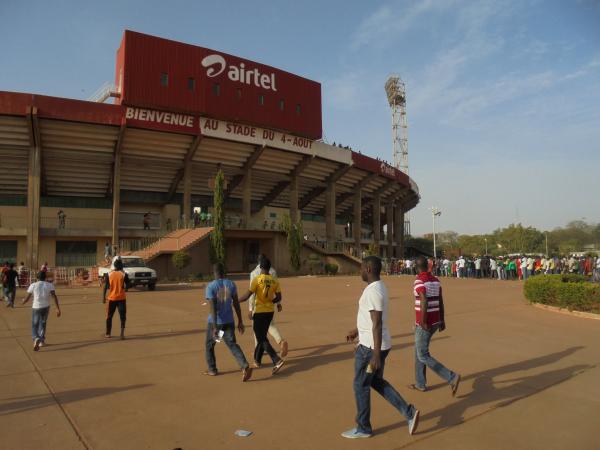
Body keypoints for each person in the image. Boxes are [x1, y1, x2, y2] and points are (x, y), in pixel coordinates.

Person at [341, 256, 420, 439]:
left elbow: (376, 323)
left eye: (361, 268)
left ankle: (363, 428)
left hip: (370, 349)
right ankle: (409, 412)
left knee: (360, 384)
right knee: (375, 381)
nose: (360, 271)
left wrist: (375, 354)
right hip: (375, 343)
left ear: (368, 269)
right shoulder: (379, 287)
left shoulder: (373, 292)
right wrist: (357, 331)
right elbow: (373, 321)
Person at [410, 256, 460, 395]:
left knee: (422, 355)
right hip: (435, 320)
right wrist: (442, 320)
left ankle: (451, 377)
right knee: (418, 352)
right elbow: (440, 301)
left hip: (425, 323)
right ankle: (420, 383)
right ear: (428, 266)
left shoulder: (419, 280)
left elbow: (424, 299)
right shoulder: (436, 281)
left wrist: (423, 321)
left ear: (416, 267)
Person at [203, 263, 252, 382]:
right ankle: (244, 365)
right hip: (229, 322)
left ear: (214, 272)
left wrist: (214, 327)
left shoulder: (211, 287)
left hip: (217, 324)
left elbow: (213, 308)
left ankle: (212, 369)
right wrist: (240, 321)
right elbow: (236, 304)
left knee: (210, 345)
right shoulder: (231, 284)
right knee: (232, 344)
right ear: (224, 272)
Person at [238, 257, 285, 375]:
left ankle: (276, 359)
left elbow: (248, 295)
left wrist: (236, 300)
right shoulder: (274, 281)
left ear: (260, 267)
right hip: (270, 312)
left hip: (259, 312)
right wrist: (271, 302)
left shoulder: (257, 279)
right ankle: (257, 360)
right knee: (262, 336)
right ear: (269, 268)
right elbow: (279, 297)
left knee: (260, 337)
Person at [247, 254, 288, 365]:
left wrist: (250, 309)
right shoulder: (273, 272)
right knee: (270, 326)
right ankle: (280, 341)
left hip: (258, 308)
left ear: (259, 263)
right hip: (270, 307)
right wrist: (278, 303)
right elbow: (277, 291)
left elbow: (251, 294)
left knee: (258, 333)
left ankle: (265, 355)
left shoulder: (254, 274)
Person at [22, 271, 61, 351]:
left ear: (37, 277)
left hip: (36, 307)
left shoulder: (33, 285)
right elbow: (54, 296)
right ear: (45, 277)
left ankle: (36, 338)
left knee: (34, 324)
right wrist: (57, 308)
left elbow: (27, 297)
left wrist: (23, 302)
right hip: (46, 307)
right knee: (43, 323)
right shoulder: (50, 285)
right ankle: (41, 341)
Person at [102, 257, 128, 339]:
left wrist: (103, 297)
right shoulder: (124, 274)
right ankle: (122, 334)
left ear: (114, 266)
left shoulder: (109, 274)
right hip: (121, 298)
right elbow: (128, 285)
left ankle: (108, 333)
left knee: (109, 316)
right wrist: (124, 287)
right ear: (121, 266)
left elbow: (105, 286)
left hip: (111, 299)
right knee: (122, 316)